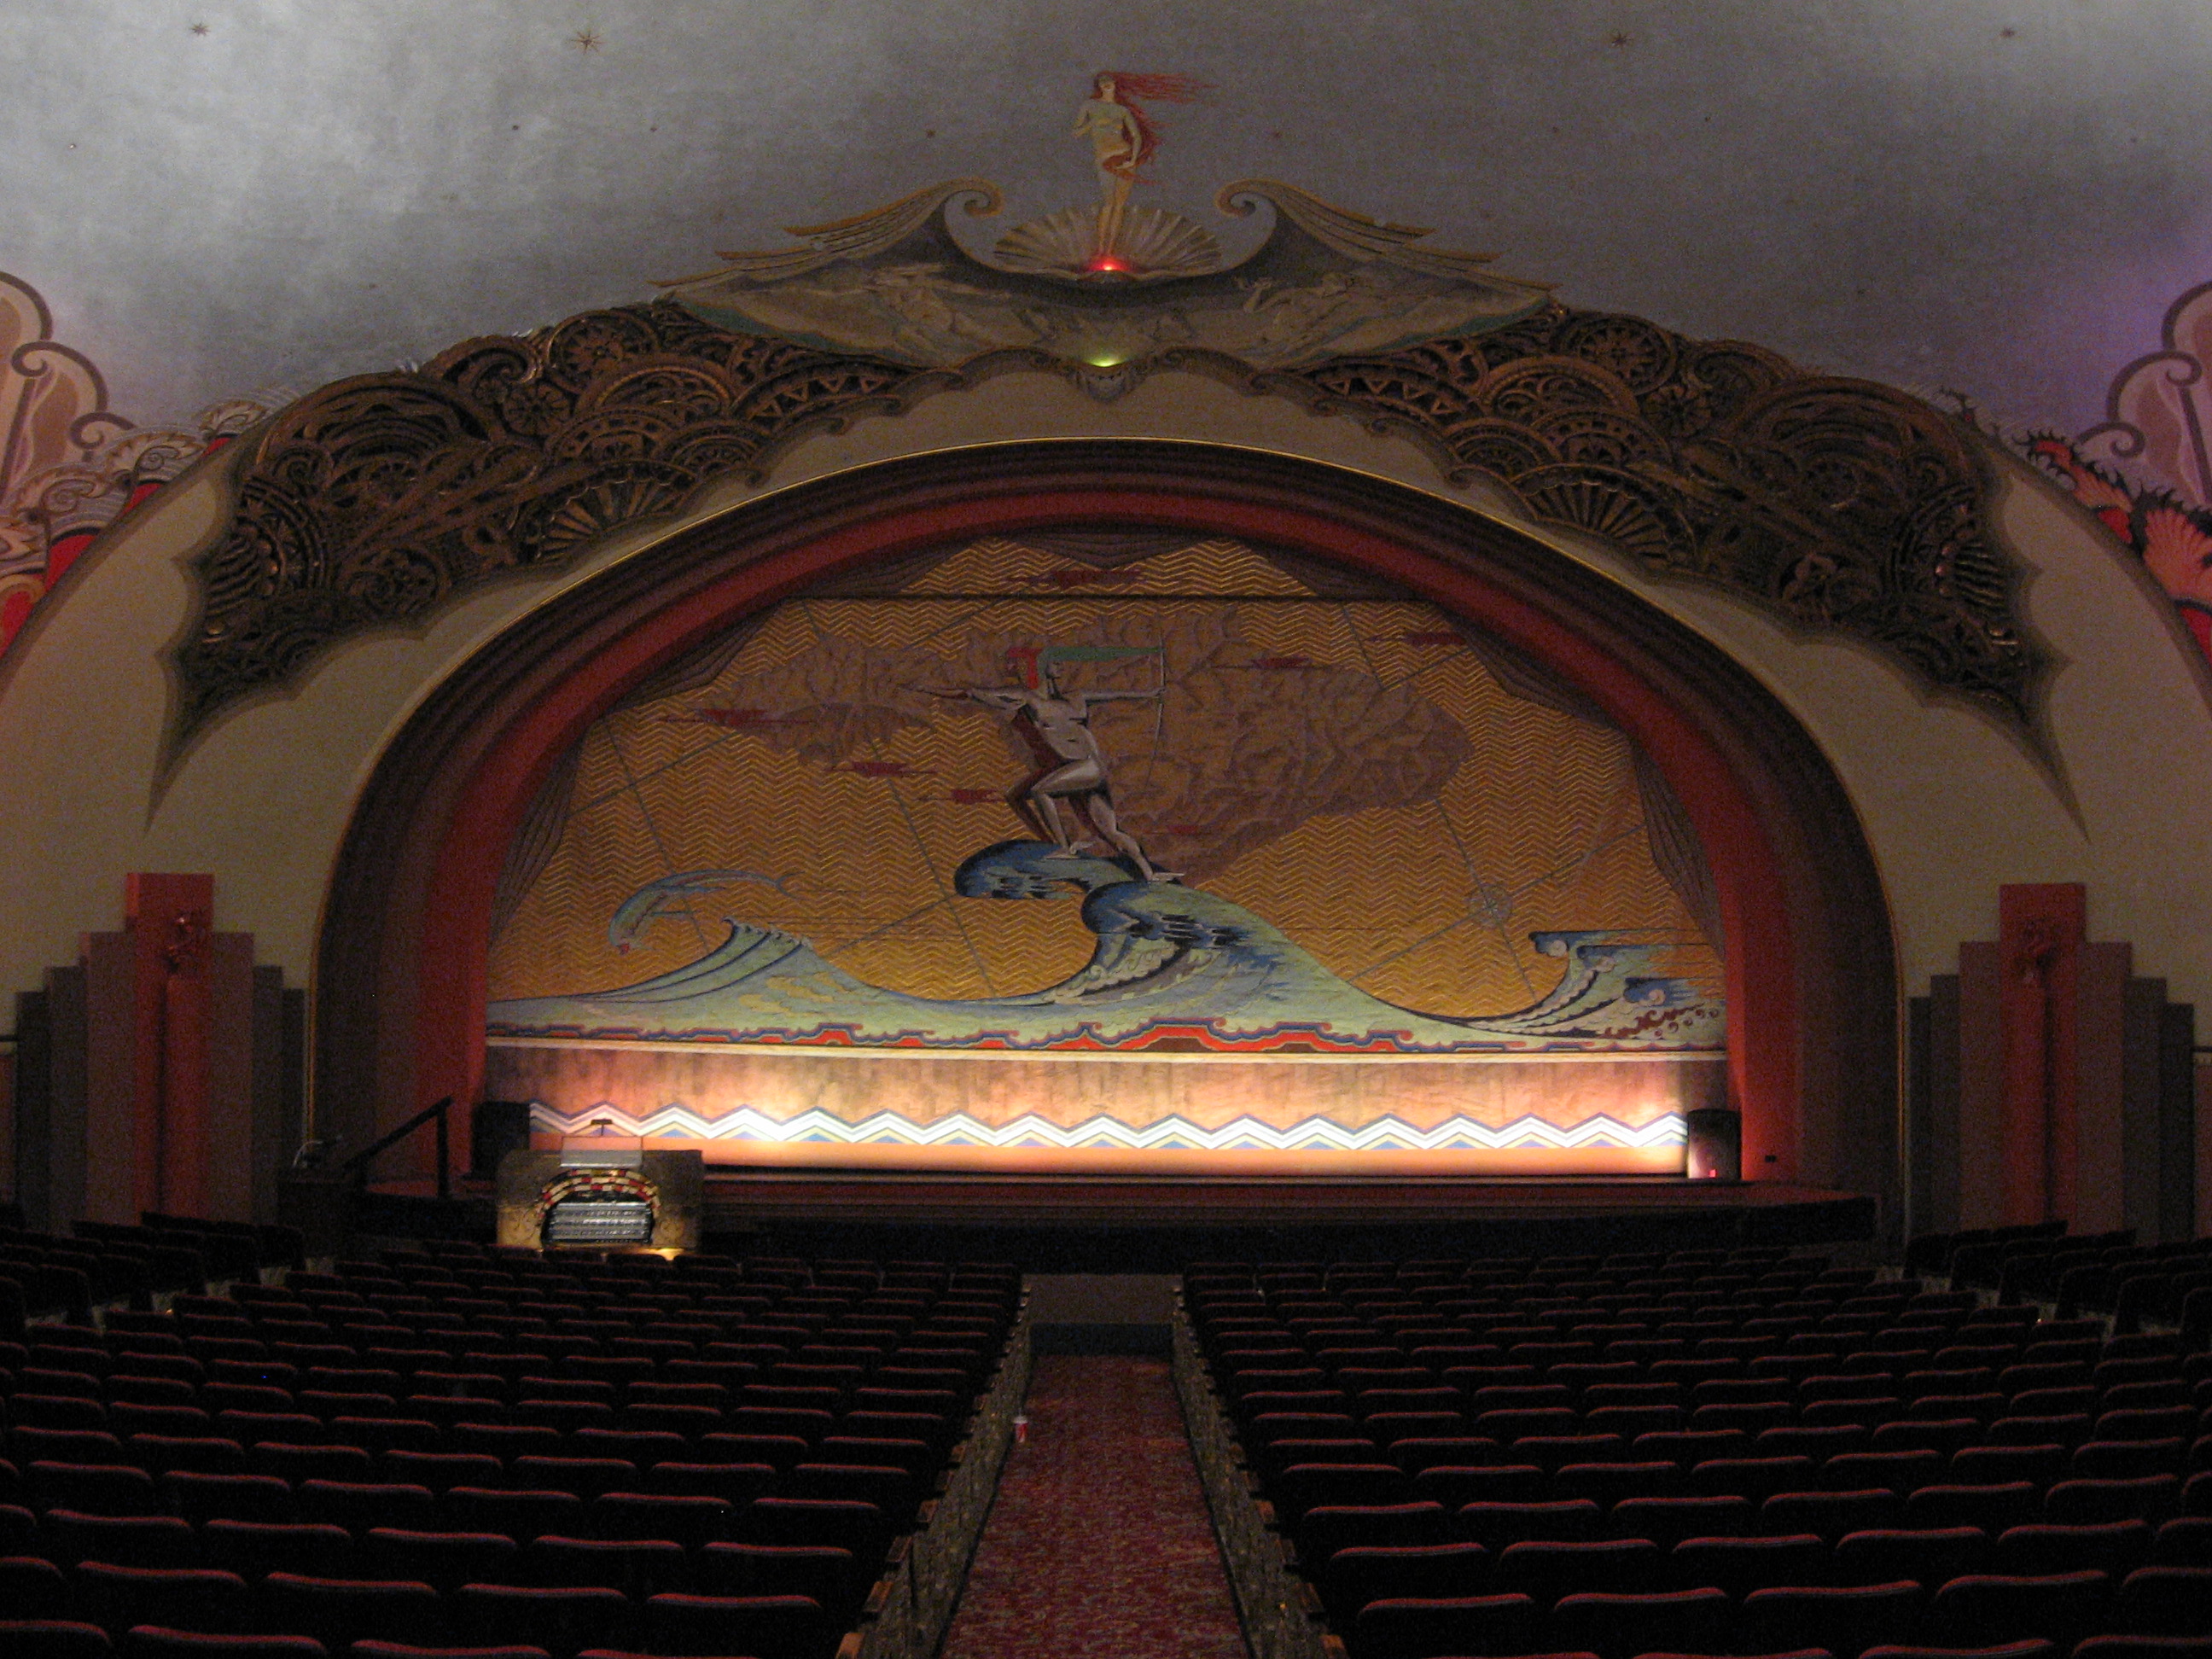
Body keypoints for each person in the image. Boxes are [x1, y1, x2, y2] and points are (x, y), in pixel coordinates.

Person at [939, 649, 1179, 882]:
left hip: (1085, 767)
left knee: (1040, 791)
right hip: (1089, 772)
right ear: (1043, 669)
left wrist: (1149, 694)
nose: (1061, 666)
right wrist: (1149, 695)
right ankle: (1149, 874)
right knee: (1111, 831)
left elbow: (1115, 694)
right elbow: (979, 694)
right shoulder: (1042, 698)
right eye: (1056, 663)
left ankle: (1064, 847)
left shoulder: (1070, 697)